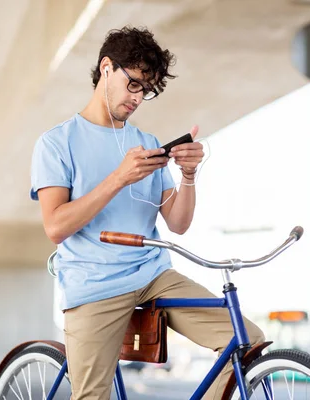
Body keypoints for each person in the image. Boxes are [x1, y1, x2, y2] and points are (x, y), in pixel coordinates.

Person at [30, 25, 264, 400]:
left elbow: (178, 223)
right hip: (95, 283)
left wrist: (188, 175)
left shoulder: (147, 144)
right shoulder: (57, 143)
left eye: (147, 90)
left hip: (153, 274)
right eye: (134, 84)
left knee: (247, 339)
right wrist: (118, 178)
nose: (138, 97)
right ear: (106, 67)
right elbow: (55, 226)